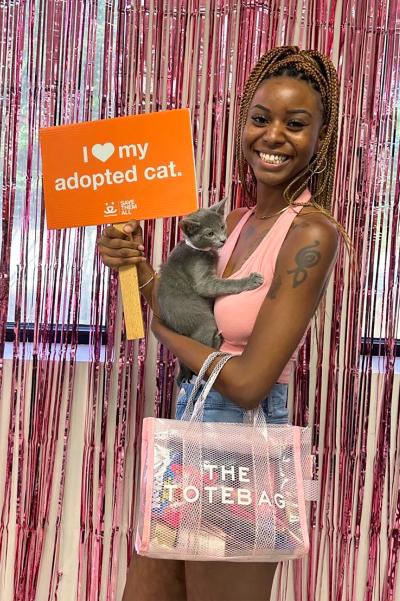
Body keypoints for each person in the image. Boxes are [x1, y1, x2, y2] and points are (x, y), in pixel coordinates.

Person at [97, 46, 355, 601]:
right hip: (190, 436)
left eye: (296, 123)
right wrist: (130, 257)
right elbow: (173, 306)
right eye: (261, 119)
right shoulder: (232, 223)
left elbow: (246, 384)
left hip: (244, 451)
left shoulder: (311, 234)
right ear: (244, 125)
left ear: (321, 138)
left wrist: (162, 333)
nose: (274, 136)